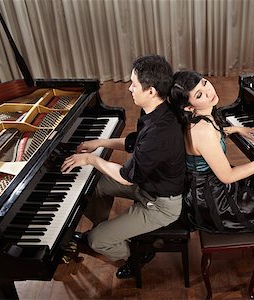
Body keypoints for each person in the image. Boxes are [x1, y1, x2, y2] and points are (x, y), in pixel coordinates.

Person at [60, 55, 185, 279]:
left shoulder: (159, 132)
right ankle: (111, 229)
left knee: (96, 240)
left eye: (134, 84)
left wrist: (91, 159)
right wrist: (99, 142)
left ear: (151, 91)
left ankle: (136, 254)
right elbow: (134, 142)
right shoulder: (155, 111)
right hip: (149, 184)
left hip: (161, 205)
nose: (129, 88)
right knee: (94, 185)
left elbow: (127, 177)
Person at [169, 70, 254, 257]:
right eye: (199, 95)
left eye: (205, 83)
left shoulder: (200, 118)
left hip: (204, 184)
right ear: (189, 107)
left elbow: (213, 133)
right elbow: (227, 176)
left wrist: (235, 129)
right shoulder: (202, 131)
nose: (208, 91)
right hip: (211, 198)